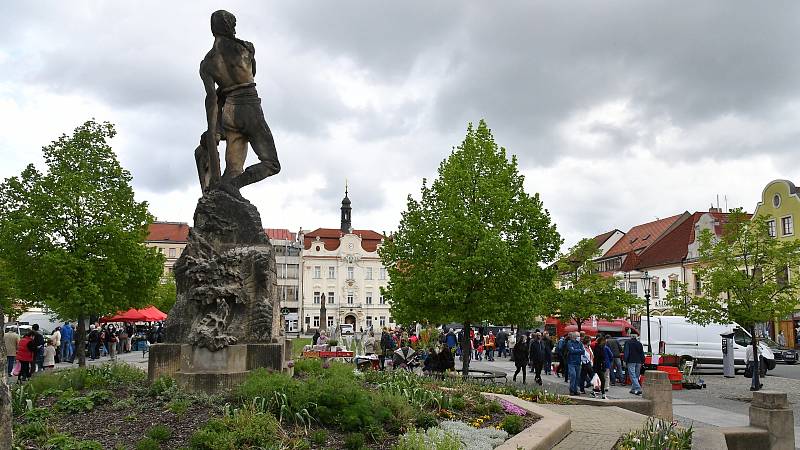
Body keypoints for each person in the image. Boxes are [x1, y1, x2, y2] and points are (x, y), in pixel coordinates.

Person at [196, 10, 280, 195]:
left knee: (233, 169)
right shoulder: (246, 48)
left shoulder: (207, 63)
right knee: (272, 163)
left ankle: (222, 198)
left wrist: (213, 131)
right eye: (233, 25)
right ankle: (232, 187)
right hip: (249, 107)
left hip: (229, 113)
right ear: (229, 26)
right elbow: (252, 74)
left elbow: (212, 98)